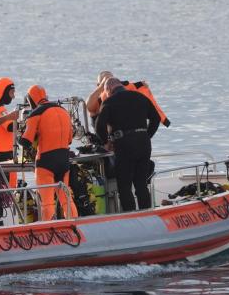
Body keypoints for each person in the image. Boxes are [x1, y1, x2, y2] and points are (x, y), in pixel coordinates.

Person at [94, 78, 160, 211]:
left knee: (125, 185)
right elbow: (156, 118)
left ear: (108, 90)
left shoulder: (109, 102)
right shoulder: (140, 97)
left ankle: (131, 215)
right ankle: (146, 213)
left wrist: (106, 142)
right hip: (143, 143)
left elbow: (99, 125)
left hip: (124, 144)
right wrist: (147, 135)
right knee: (141, 183)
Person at [19, 85, 78, 221]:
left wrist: (19, 137)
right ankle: (74, 224)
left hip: (45, 163)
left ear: (30, 100)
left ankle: (49, 229)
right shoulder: (64, 111)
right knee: (66, 198)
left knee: (47, 202)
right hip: (64, 161)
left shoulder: (36, 114)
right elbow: (69, 140)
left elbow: (26, 141)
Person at [86, 70, 170, 127]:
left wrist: (140, 86)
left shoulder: (124, 93)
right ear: (98, 85)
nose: (110, 83)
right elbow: (89, 107)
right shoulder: (97, 99)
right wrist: (102, 86)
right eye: (107, 81)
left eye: (112, 80)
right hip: (104, 139)